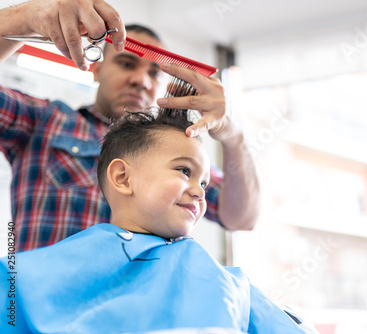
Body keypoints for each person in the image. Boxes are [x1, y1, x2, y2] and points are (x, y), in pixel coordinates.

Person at [0, 109, 312, 333]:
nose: (199, 192)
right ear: (123, 178)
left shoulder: (231, 284)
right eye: (184, 171)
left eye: (204, 184)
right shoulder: (22, 277)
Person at [0, 0, 260, 251]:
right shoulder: (43, 121)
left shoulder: (178, 150)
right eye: (126, 63)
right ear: (97, 69)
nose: (141, 80)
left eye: (154, 73)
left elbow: (241, 218)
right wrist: (25, 19)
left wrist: (234, 137)